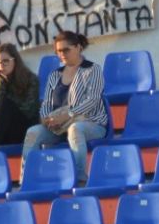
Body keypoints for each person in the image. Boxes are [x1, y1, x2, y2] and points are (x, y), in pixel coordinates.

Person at [20, 31, 107, 184]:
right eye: (58, 51)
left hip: (91, 123)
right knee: (33, 132)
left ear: (78, 47)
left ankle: (79, 179)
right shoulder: (54, 75)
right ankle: (27, 180)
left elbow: (93, 100)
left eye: (66, 50)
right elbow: (47, 103)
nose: (62, 54)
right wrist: (46, 119)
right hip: (59, 127)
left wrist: (68, 114)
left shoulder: (93, 70)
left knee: (75, 129)